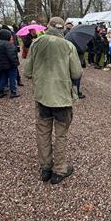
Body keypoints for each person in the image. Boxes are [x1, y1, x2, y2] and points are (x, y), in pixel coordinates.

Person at [24, 17, 82, 185]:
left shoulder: (36, 43)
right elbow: (77, 73)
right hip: (62, 98)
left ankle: (45, 168)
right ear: (63, 29)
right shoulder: (68, 46)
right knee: (61, 135)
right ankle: (59, 170)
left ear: (48, 27)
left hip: (42, 97)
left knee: (43, 132)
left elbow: (27, 72)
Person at [0, 29, 20, 99]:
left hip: (1, 65)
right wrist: (16, 63)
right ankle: (13, 92)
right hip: (10, 65)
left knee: (3, 77)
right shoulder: (8, 44)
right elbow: (12, 56)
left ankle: (1, 91)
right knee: (12, 78)